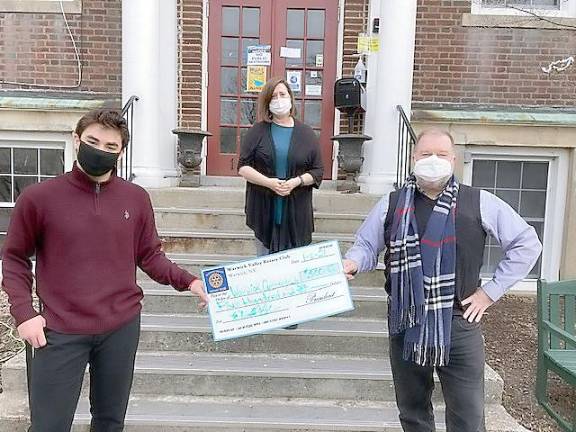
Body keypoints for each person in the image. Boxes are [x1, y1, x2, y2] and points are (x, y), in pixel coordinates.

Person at [1, 108, 209, 432]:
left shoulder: (136, 198)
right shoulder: (39, 198)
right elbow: (14, 258)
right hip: (58, 328)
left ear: (120, 151)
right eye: (93, 141)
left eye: (111, 147)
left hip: (120, 327)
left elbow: (149, 256)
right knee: (48, 426)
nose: (100, 150)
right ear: (76, 139)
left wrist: (191, 281)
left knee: (110, 423)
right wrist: (25, 314)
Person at [343, 128, 542, 432]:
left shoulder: (480, 202)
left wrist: (490, 293)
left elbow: (527, 243)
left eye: (441, 154)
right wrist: (353, 262)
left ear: (454, 160)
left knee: (467, 417)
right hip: (405, 320)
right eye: (425, 154)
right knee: (413, 413)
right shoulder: (392, 204)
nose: (433, 160)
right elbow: (367, 246)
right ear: (413, 158)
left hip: (459, 322)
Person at [238, 77, 324, 256]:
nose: (279, 100)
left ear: (291, 98)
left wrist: (296, 182)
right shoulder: (257, 131)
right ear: (267, 103)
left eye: (282, 94)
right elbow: (243, 167)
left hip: (297, 211)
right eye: (273, 96)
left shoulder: (307, 133)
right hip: (264, 208)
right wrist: (269, 183)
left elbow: (317, 171)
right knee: (265, 265)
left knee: (295, 268)